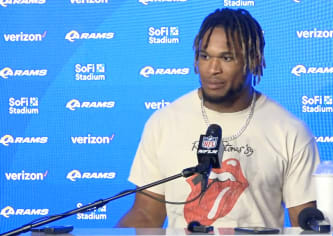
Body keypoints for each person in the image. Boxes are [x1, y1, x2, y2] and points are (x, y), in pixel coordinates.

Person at [117, 8, 320, 228]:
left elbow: (306, 225)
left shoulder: (289, 131)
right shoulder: (164, 122)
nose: (212, 69)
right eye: (205, 56)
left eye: (226, 57)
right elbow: (146, 214)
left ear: (253, 60)